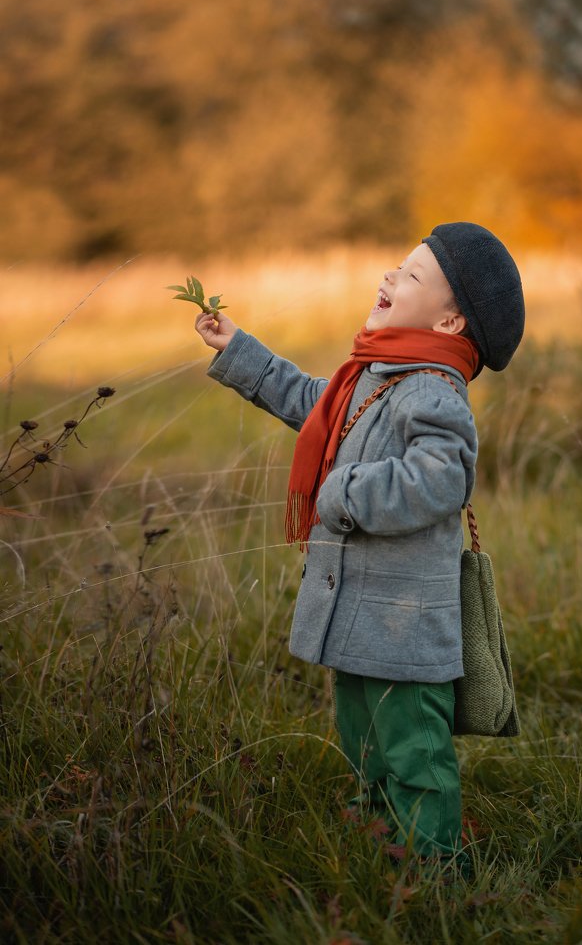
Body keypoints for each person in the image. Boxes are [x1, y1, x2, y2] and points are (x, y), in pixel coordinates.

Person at [194, 222, 525, 866]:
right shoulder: (377, 374)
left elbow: (443, 477)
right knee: (364, 735)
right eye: (396, 268)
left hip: (402, 623)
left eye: (411, 276)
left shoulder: (431, 388)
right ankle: (379, 838)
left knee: (411, 748)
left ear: (452, 322)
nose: (389, 278)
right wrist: (240, 350)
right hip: (361, 611)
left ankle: (432, 866)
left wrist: (343, 490)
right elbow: (315, 405)